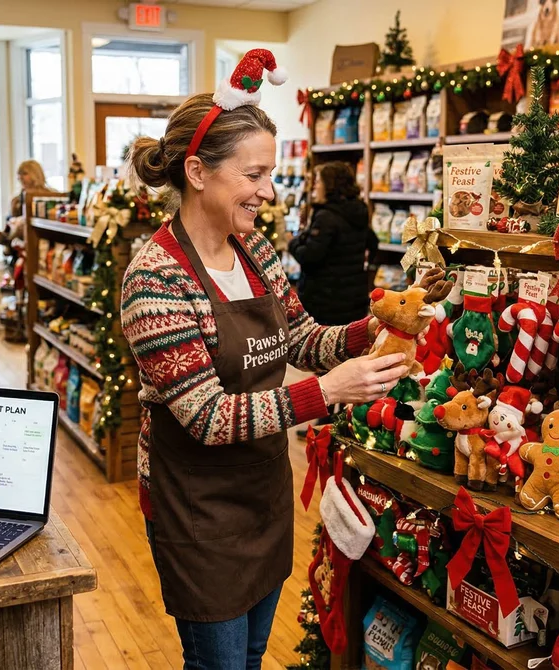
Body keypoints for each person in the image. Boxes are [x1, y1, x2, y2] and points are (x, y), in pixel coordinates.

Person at [120, 49, 406, 670]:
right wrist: (327, 392)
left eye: (269, 174)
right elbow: (207, 417)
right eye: (253, 175)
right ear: (198, 172)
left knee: (250, 660)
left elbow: (301, 339)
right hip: (196, 508)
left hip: (262, 495)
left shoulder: (257, 253)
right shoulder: (156, 280)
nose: (268, 192)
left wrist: (373, 328)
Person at [288, 161, 377, 325]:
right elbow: (373, 243)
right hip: (353, 300)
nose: (315, 186)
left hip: (325, 301)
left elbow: (309, 255)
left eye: (318, 181)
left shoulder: (326, 217)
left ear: (329, 185)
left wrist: (292, 243)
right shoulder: (359, 211)